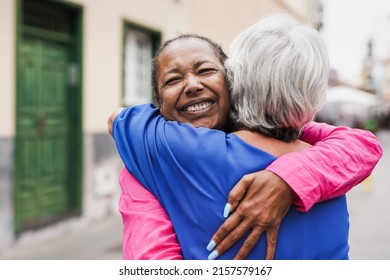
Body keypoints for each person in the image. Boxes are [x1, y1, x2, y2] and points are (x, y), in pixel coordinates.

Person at [109, 15, 383, 259]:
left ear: (233, 81)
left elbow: (361, 143)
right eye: (172, 80)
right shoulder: (149, 159)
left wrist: (290, 178)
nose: (192, 85)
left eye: (206, 71)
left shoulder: (160, 149)